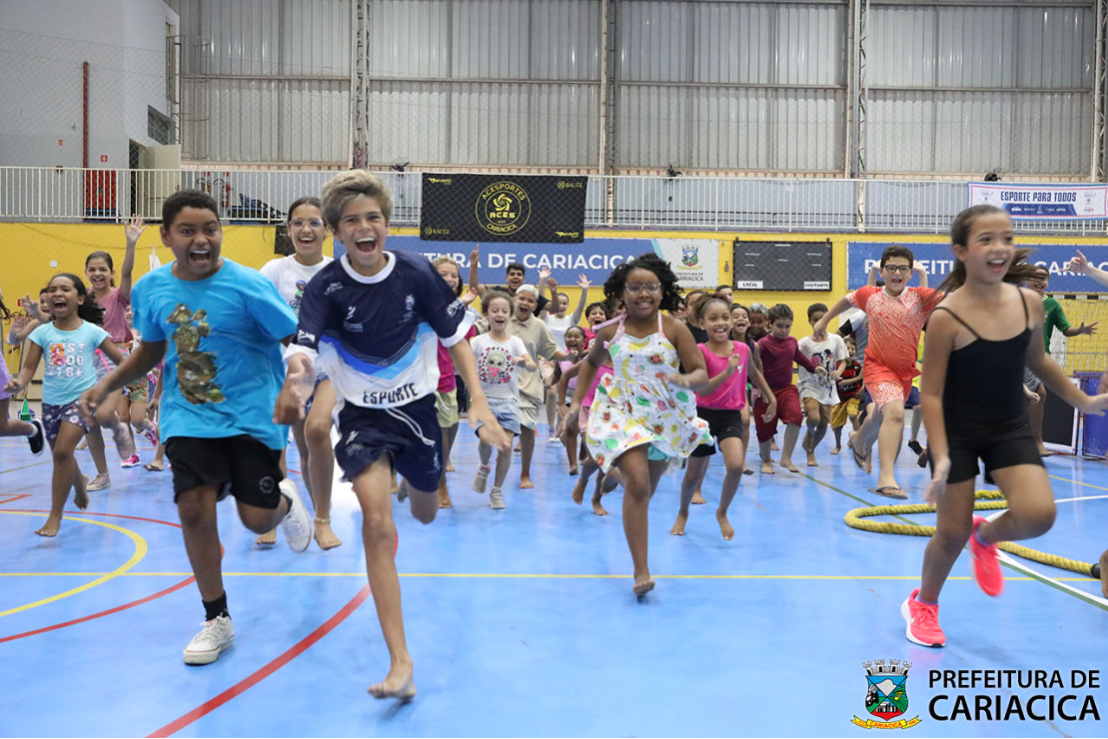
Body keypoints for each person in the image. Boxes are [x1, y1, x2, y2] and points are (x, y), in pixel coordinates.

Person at [276, 171, 508, 700]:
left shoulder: (416, 273)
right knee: (377, 525)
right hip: (361, 417)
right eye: (352, 220)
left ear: (387, 224)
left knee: (424, 511)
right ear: (337, 231)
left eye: (373, 218)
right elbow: (305, 350)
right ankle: (401, 663)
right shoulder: (325, 288)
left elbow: (459, 341)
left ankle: (418, 484)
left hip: (418, 411)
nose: (364, 227)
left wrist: (477, 405)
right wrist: (298, 380)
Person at [80, 189, 313, 666]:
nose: (201, 239)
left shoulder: (249, 285)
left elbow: (296, 338)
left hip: (252, 416)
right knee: (192, 509)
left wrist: (299, 381)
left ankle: (284, 501)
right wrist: (107, 383)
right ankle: (216, 617)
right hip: (189, 416)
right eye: (188, 230)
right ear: (167, 236)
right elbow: (152, 349)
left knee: (256, 520)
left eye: (210, 229)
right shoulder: (151, 288)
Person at [903, 204, 1108, 648]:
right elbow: (932, 394)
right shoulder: (945, 317)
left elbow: (1039, 361)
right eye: (986, 239)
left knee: (1039, 515)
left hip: (1007, 425)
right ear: (960, 251)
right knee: (950, 531)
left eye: (1007, 238)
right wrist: (939, 457)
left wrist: (1085, 401)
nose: (999, 248)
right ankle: (923, 605)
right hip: (956, 430)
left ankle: (987, 536)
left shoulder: (1029, 302)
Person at [566, 253, 712, 596]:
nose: (643, 294)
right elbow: (591, 363)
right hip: (621, 409)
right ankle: (640, 571)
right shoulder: (609, 331)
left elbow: (701, 373)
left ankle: (612, 487)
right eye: (635, 287)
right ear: (622, 292)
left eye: (650, 287)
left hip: (665, 416)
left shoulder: (674, 329)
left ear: (662, 292)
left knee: (643, 491)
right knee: (638, 482)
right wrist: (574, 403)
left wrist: (685, 380)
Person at [7, 274, 125, 536]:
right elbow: (28, 369)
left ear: (80, 298)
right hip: (51, 404)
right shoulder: (42, 333)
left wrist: (140, 368)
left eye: (65, 289)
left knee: (61, 453)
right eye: (52, 290)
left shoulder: (92, 331)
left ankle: (54, 517)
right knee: (63, 454)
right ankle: (80, 485)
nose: (57, 293)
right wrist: (18, 382)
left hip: (81, 401)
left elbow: (120, 360)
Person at [255, 197, 342, 549]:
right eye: (298, 223)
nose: (306, 229)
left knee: (319, 430)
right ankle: (279, 513)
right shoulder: (274, 271)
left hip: (331, 368)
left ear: (327, 229)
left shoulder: (340, 270)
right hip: (288, 372)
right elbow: (257, 314)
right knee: (294, 449)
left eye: (314, 222)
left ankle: (323, 519)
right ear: (288, 228)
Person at [814, 248, 934, 499]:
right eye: (891, 268)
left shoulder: (920, 296)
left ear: (910, 273)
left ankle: (858, 439)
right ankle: (886, 479)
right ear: (882, 271)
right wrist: (823, 322)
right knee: (895, 413)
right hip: (877, 367)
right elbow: (844, 301)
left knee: (880, 416)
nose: (897, 273)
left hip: (905, 374)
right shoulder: (870, 295)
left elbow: (956, 302)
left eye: (903, 268)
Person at [672, 296, 774, 540]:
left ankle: (722, 512)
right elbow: (703, 389)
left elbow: (754, 373)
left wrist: (772, 397)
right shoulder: (700, 351)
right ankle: (683, 512)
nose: (721, 323)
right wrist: (728, 370)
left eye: (725, 318)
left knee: (736, 466)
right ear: (702, 323)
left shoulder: (742, 349)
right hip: (703, 416)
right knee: (692, 477)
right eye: (713, 318)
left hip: (730, 416)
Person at [83, 218, 141, 478]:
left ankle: (120, 430)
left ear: (111, 273)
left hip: (117, 358)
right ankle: (102, 474)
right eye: (92, 269)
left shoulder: (119, 295)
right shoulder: (82, 299)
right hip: (89, 362)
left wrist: (130, 244)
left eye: (103, 269)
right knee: (90, 419)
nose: (98, 274)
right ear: (86, 272)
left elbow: (128, 273)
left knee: (107, 414)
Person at [470, 291, 534, 509]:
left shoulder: (515, 342)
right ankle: (484, 465)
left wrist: (524, 362)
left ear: (510, 315)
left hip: (508, 401)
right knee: (486, 440)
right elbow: (465, 366)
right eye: (495, 310)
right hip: (483, 401)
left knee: (506, 446)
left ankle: (496, 491)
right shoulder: (477, 342)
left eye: (505, 311)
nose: (500, 314)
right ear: (486, 314)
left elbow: (532, 364)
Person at [1025, 263, 1097, 455]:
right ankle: (1035, 443)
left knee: (1035, 396)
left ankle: (1031, 442)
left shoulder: (1052, 305)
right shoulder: (1018, 302)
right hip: (1020, 356)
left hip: (1039, 359)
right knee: (1037, 395)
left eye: (1044, 278)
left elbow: (1066, 330)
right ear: (1027, 280)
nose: (1040, 281)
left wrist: (1080, 330)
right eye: (1036, 277)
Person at [755, 304, 826, 474]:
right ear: (769, 325)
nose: (784, 330)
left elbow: (800, 358)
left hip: (786, 389)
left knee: (796, 417)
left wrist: (814, 368)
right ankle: (766, 460)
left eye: (787, 326)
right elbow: (755, 367)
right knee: (765, 428)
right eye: (779, 326)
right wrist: (759, 388)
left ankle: (786, 457)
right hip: (766, 391)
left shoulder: (792, 342)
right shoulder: (762, 344)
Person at [508, 284, 567, 489]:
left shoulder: (540, 326)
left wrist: (569, 355)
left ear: (535, 306)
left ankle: (525, 473)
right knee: (498, 432)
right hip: (500, 385)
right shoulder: (501, 318)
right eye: (521, 299)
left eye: (530, 301)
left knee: (527, 428)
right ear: (515, 300)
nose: (525, 303)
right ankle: (490, 466)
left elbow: (551, 350)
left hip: (528, 385)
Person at [432, 256, 479, 508]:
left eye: (454, 275)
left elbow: (465, 344)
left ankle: (442, 461)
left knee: (450, 427)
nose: (450, 279)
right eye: (443, 274)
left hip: (448, 379)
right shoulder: (422, 303)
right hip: (421, 381)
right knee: (437, 433)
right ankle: (440, 487)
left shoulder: (464, 311)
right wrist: (459, 304)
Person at [539, 271, 591, 440]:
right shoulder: (546, 318)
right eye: (559, 303)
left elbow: (582, 306)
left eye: (564, 303)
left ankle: (566, 425)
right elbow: (541, 302)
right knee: (552, 392)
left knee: (566, 395)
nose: (561, 306)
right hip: (549, 361)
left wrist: (584, 291)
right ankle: (550, 428)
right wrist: (542, 281)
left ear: (568, 305)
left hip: (568, 361)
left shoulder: (571, 320)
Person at [797, 303, 848, 467]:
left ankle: (811, 446)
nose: (819, 322)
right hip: (809, 385)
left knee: (823, 425)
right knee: (813, 417)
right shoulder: (804, 343)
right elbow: (797, 359)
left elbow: (843, 362)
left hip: (828, 388)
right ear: (810, 322)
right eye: (815, 320)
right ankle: (810, 451)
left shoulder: (836, 340)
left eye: (822, 319)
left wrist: (839, 372)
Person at [0, 288, 46, 453]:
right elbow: (13, 340)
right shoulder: (37, 324)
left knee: (1, 427)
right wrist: (13, 333)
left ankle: (31, 429)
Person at [468, 246, 550, 313]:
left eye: (519, 274)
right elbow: (474, 288)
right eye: (512, 274)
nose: (515, 277)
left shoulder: (530, 297)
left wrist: (552, 291)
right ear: (506, 278)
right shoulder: (497, 293)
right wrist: (474, 266)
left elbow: (555, 308)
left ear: (524, 279)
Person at [553, 325, 588, 474]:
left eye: (576, 336)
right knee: (571, 429)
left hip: (586, 396)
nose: (572, 339)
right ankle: (573, 465)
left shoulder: (589, 357)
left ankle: (583, 450)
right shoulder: (561, 359)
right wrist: (559, 400)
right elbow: (558, 377)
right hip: (568, 396)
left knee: (586, 430)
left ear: (584, 340)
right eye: (569, 336)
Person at [829, 337, 864, 455]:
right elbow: (841, 382)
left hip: (853, 397)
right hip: (839, 399)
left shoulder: (857, 366)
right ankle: (838, 445)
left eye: (852, 349)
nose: (850, 351)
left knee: (853, 415)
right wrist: (857, 378)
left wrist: (862, 386)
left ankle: (858, 441)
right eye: (847, 348)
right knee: (836, 425)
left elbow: (865, 377)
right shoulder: (837, 366)